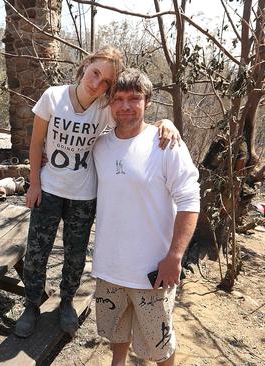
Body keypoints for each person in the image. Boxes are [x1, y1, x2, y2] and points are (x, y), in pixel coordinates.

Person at [15, 46, 181, 338]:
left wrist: (163, 123)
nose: (97, 84)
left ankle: (66, 302)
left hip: (84, 194)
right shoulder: (53, 97)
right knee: (37, 250)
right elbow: (35, 144)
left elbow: (132, 119)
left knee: (75, 253)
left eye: (106, 82)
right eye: (95, 74)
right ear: (86, 64)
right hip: (50, 189)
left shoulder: (105, 109)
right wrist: (35, 183)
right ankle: (31, 305)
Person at [91, 68, 200, 365]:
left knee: (158, 345)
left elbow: (190, 200)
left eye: (134, 98)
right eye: (118, 98)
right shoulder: (99, 146)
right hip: (109, 266)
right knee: (116, 333)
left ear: (147, 101)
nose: (125, 106)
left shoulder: (166, 144)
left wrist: (175, 256)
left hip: (152, 271)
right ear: (109, 103)